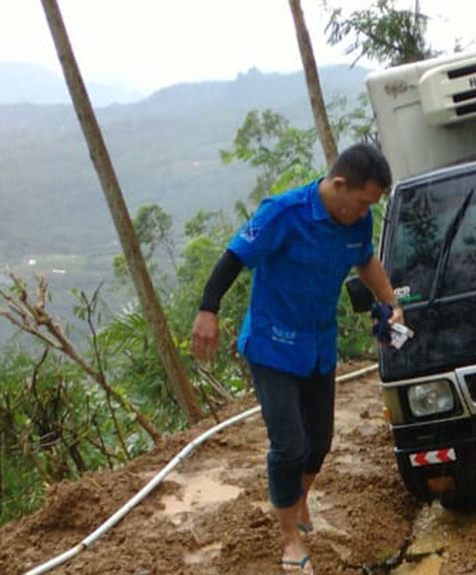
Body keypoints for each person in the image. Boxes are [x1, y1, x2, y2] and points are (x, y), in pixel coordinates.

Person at [190, 143, 402, 575]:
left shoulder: (357, 221)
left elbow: (365, 260)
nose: (365, 212)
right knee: (289, 445)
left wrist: (391, 304)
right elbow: (233, 257)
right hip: (272, 345)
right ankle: (289, 537)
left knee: (319, 443)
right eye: (362, 202)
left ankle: (298, 499)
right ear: (338, 185)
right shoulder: (283, 214)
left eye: (371, 205)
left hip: (318, 346)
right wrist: (208, 310)